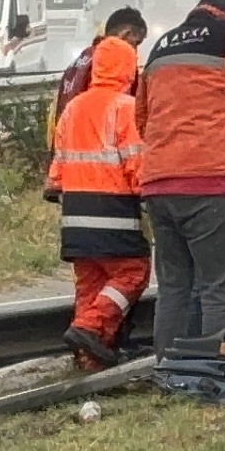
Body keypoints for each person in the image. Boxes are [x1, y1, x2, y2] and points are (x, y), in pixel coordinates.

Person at [135, 0, 225, 348]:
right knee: (218, 287)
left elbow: (142, 118)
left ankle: (167, 367)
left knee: (173, 288)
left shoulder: (161, 44)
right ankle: (215, 374)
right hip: (208, 184)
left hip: (158, 184)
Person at [47, 31, 147, 368]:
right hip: (113, 210)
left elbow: (58, 163)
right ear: (129, 69)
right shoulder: (125, 108)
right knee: (133, 273)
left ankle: (88, 358)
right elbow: (136, 162)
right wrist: (147, 194)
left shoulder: (73, 107)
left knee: (90, 283)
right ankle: (87, 328)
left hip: (74, 211)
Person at [50, 7, 148, 117]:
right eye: (134, 43)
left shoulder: (82, 59)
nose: (135, 51)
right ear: (124, 34)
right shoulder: (114, 62)